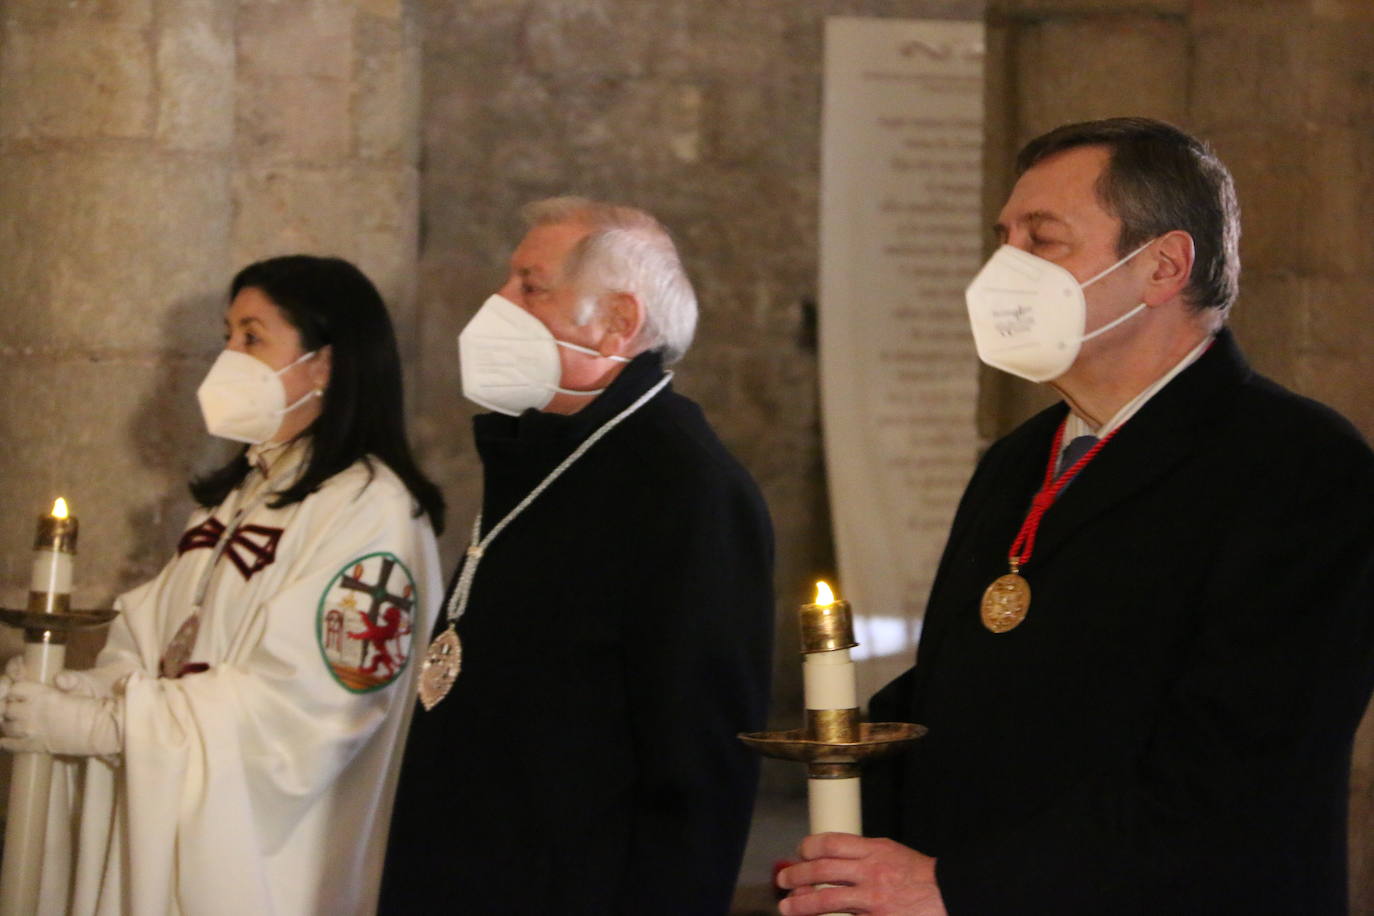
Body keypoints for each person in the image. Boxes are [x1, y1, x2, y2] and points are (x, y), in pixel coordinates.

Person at [778, 118, 1374, 915]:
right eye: (1002, 239)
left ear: (1162, 265)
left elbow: (1240, 774)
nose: (1003, 268)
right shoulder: (1019, 460)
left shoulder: (1297, 467)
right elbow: (976, 687)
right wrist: (852, 789)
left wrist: (962, 886)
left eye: (1042, 240)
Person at [0, 255, 446, 915]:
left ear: (324, 364)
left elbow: (311, 707)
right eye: (228, 335)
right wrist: (95, 687)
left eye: (252, 337)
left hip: (265, 865)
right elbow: (156, 628)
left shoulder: (372, 509)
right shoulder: (244, 494)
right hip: (174, 819)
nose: (229, 356)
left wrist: (114, 727)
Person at [380, 197, 774, 914]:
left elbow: (700, 759)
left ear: (619, 321)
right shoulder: (546, 448)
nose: (498, 303)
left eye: (531, 287)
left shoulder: (686, 485)